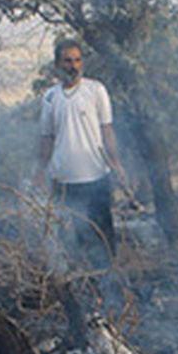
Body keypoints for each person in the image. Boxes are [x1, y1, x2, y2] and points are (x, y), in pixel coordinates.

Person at [39, 39, 128, 270]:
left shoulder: (96, 90)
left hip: (96, 177)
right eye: (68, 61)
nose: (73, 66)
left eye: (77, 60)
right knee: (71, 243)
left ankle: (110, 290)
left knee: (103, 239)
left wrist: (117, 164)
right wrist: (40, 171)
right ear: (58, 64)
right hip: (64, 181)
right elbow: (47, 137)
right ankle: (81, 291)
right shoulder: (50, 97)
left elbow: (106, 129)